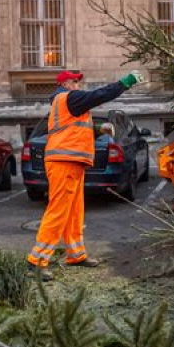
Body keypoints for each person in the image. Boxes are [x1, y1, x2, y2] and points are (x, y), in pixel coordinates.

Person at [27, 69, 144, 281]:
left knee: (73, 211)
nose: (78, 85)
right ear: (65, 84)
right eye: (74, 81)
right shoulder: (69, 98)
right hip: (64, 162)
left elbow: (72, 130)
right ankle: (36, 261)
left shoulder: (66, 103)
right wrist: (126, 82)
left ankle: (76, 254)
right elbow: (100, 95)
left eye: (78, 81)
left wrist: (99, 129)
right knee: (58, 211)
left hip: (70, 162)